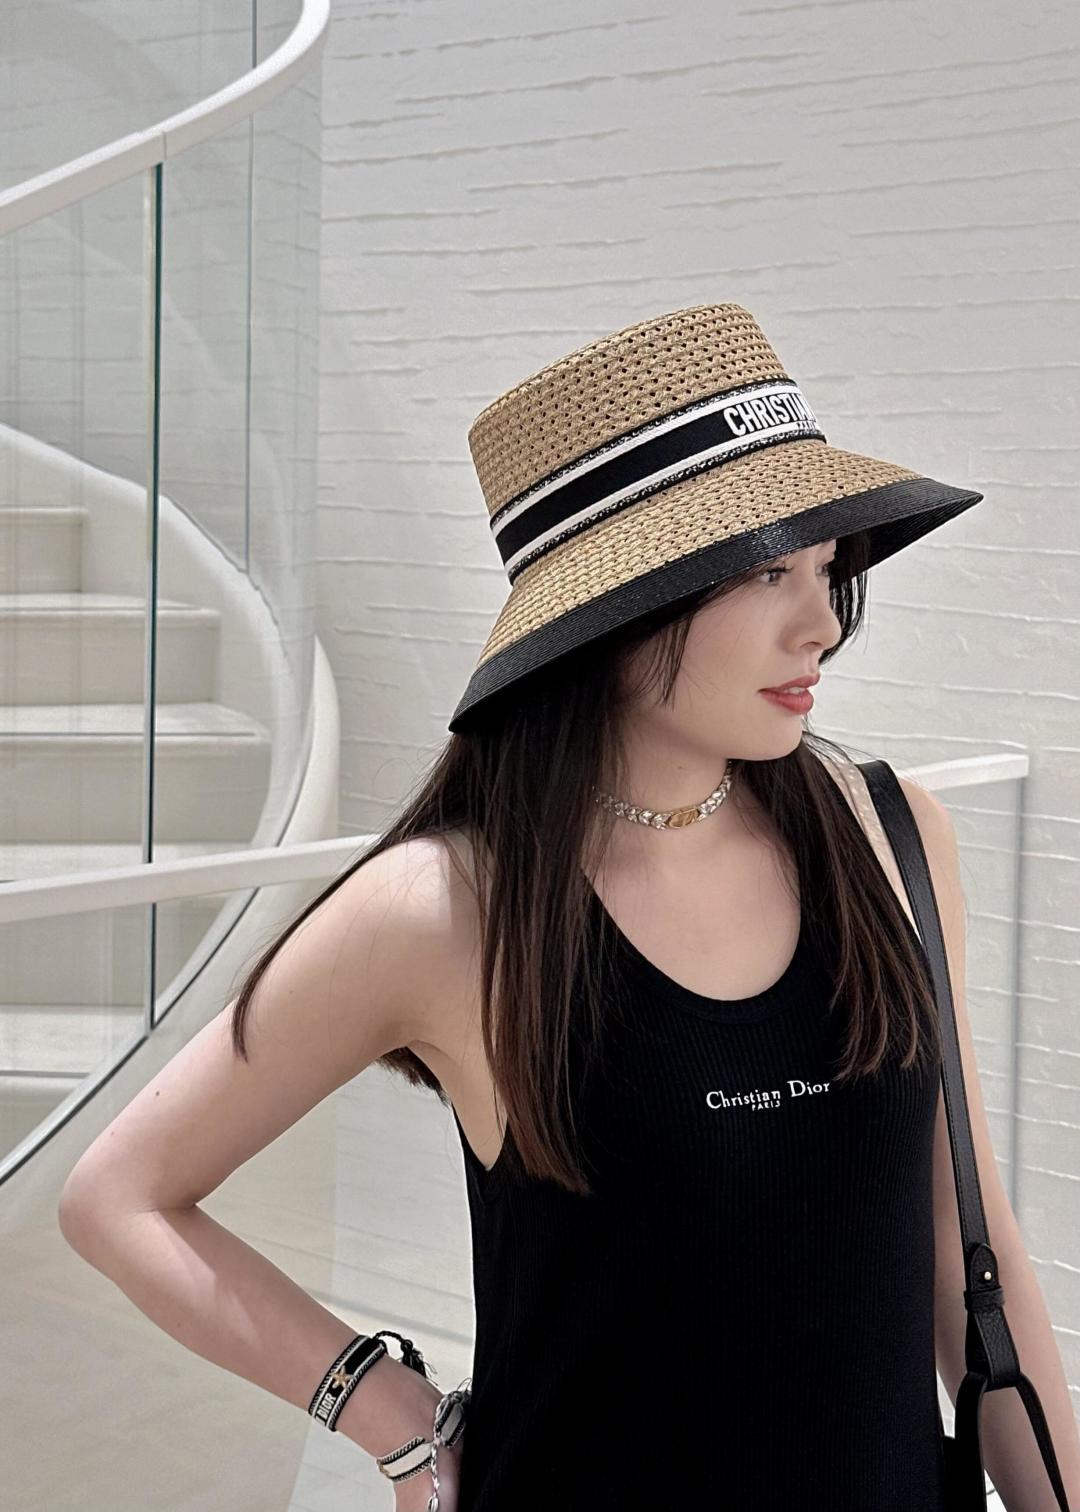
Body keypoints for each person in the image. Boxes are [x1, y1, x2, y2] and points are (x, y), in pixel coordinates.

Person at [57, 304, 1080, 1511]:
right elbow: (118, 1197)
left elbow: (970, 1247)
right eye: (767, 570)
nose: (822, 625)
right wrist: (387, 1411)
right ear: (623, 603)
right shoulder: (448, 910)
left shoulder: (892, 836)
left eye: (824, 569)